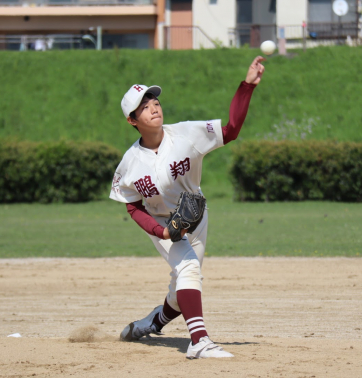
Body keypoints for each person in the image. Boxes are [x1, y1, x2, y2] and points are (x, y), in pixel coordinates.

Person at [109, 56, 265, 359]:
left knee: (182, 289)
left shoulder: (185, 134)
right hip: (163, 226)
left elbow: (231, 129)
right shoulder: (129, 164)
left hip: (196, 216)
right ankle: (199, 340)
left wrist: (246, 87)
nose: (153, 106)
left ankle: (150, 322)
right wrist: (161, 231)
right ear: (132, 120)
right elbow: (132, 206)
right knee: (190, 270)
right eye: (144, 105)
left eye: (154, 101)